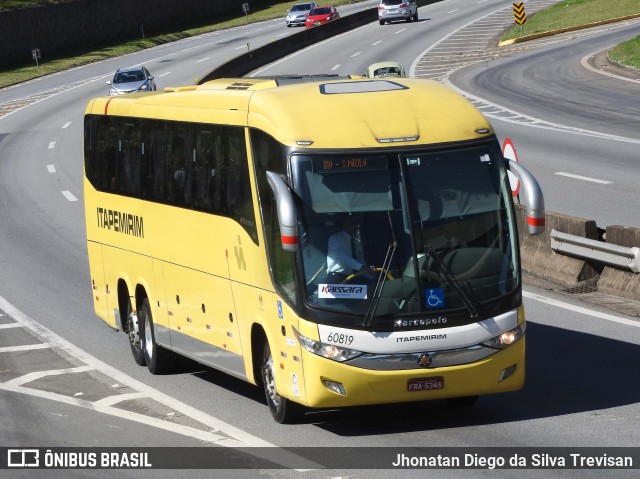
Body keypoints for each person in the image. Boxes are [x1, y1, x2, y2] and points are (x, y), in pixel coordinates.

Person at [326, 214, 375, 283]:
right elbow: (343, 257)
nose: (355, 226)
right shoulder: (335, 239)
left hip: (353, 278)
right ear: (343, 224)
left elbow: (361, 261)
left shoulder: (357, 243)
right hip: (337, 278)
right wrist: (361, 267)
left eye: (357, 224)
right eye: (352, 224)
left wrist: (370, 273)